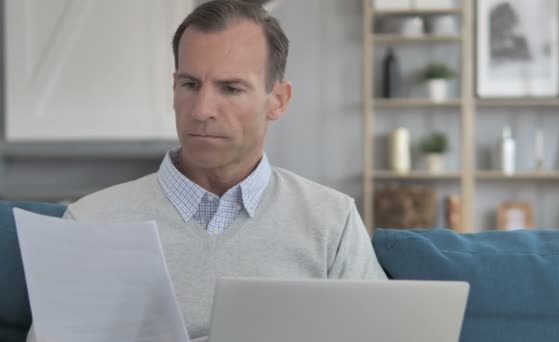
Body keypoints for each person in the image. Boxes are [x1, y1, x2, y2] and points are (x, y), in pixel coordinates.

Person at [26, 0, 386, 341]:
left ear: (277, 101)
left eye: (230, 88)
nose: (201, 110)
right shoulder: (90, 222)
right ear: (173, 88)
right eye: (190, 85)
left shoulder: (331, 222)